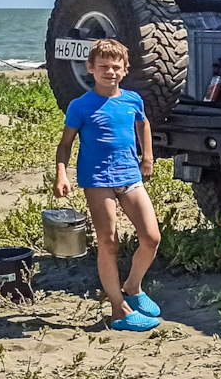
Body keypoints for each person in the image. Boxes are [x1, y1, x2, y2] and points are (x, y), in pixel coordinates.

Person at [53, 38, 162, 332]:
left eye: (116, 67)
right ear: (90, 68)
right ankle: (118, 311)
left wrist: (147, 157)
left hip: (130, 176)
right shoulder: (80, 106)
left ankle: (133, 287)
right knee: (108, 242)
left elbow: (143, 124)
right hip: (97, 180)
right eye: (103, 66)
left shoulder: (132, 100)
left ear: (125, 69)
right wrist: (61, 174)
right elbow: (65, 145)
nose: (110, 72)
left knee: (151, 238)